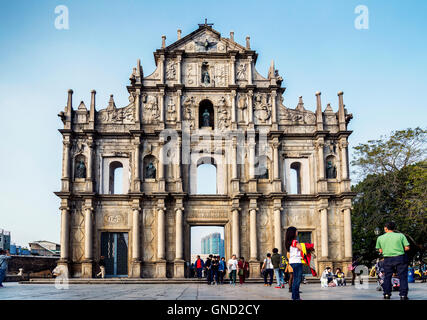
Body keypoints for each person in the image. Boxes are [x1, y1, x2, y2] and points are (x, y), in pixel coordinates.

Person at [376, 221, 410, 300]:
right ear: (394, 228)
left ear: (386, 228)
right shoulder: (401, 236)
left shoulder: (380, 238)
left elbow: (380, 250)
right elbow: (407, 248)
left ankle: (387, 294)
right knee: (402, 277)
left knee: (387, 277)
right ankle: (403, 295)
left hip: (387, 259)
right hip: (400, 258)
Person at [285, 226, 303, 300]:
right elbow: (302, 248)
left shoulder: (289, 242)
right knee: (297, 280)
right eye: (296, 231)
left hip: (292, 261)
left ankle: (295, 297)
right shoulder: (294, 242)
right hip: (297, 261)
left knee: (295, 279)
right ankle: (296, 297)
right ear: (293, 233)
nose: (297, 232)